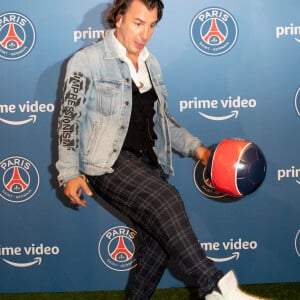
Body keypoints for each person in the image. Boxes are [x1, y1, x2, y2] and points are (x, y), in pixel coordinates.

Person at [56, 0, 268, 299]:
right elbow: (68, 121)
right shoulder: (87, 61)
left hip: (148, 163)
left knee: (155, 248)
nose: (144, 33)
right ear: (118, 19)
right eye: (137, 22)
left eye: (152, 25)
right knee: (167, 199)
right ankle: (217, 288)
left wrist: (201, 152)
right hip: (107, 164)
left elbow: (162, 123)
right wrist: (69, 173)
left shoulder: (150, 64)